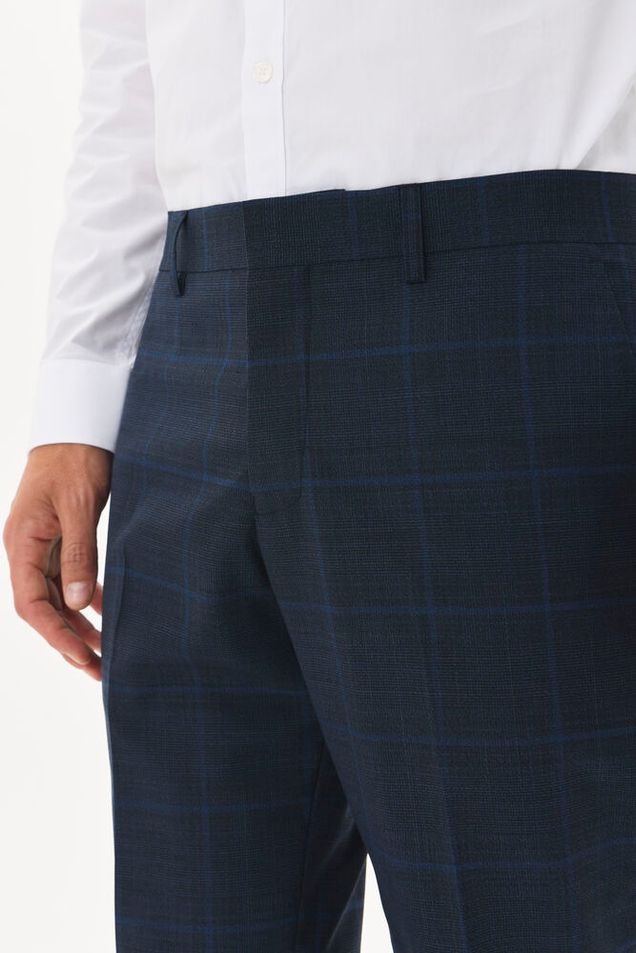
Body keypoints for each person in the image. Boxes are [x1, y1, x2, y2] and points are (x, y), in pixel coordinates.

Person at [4, 2, 636, 951]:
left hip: (502, 316)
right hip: (191, 333)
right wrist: (80, 396)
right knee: (197, 919)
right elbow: (127, 65)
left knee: (528, 908)